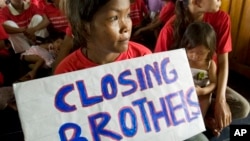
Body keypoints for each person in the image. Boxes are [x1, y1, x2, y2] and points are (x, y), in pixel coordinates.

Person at [54, 0, 208, 141]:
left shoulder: (144, 58)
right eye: (114, 18)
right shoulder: (67, 73)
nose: (126, 26)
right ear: (86, 27)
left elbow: (157, 111)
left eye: (127, 15)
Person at [154, 0, 250, 136]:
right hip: (178, 91)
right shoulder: (170, 30)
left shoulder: (222, 19)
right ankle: (203, 120)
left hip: (206, 84)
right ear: (196, 2)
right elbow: (158, 76)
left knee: (242, 107)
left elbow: (223, 63)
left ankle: (205, 118)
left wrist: (220, 100)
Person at [181, 22, 217, 119]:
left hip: (201, 91)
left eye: (201, 53)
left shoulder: (210, 64)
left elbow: (213, 83)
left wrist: (203, 91)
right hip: (185, 90)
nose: (195, 56)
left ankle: (200, 121)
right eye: (191, 51)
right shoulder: (183, 60)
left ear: (209, 50)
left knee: (205, 100)